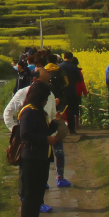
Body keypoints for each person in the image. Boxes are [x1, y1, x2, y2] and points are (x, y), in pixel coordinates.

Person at [4, 66, 57, 212]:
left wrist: (55, 124)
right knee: (27, 180)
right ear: (34, 81)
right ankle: (29, 207)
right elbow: (8, 113)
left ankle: (38, 203)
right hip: (31, 146)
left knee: (41, 178)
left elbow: (50, 115)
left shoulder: (49, 94)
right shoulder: (24, 96)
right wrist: (16, 131)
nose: (47, 84)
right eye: (44, 81)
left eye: (48, 81)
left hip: (44, 145)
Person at [17, 81, 59, 217]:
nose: (46, 100)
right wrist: (45, 139)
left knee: (38, 195)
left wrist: (55, 122)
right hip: (31, 159)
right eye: (45, 97)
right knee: (30, 196)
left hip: (41, 158)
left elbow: (44, 131)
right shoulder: (28, 112)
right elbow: (25, 134)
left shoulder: (38, 112)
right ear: (38, 96)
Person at [44, 53, 72, 188]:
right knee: (59, 145)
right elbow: (66, 84)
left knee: (43, 151)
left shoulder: (43, 72)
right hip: (58, 107)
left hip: (44, 113)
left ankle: (44, 182)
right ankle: (60, 177)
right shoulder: (60, 71)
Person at [59, 51, 83, 135]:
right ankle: (71, 129)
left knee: (60, 110)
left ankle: (59, 129)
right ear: (72, 58)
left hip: (61, 92)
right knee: (71, 110)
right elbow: (79, 79)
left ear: (64, 56)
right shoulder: (74, 67)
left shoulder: (59, 66)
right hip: (72, 91)